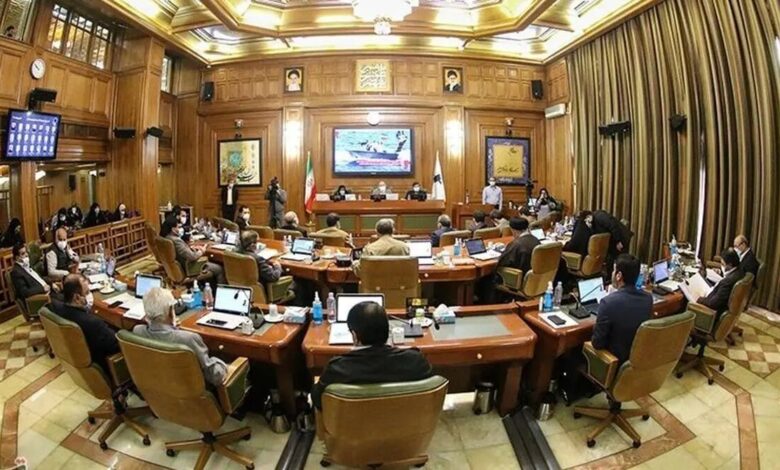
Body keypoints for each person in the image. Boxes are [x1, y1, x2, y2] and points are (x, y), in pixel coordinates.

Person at [311, 301, 433, 408]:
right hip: (405, 425)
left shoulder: (337, 369)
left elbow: (318, 400)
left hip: (353, 426)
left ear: (354, 335)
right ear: (388, 331)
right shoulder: (416, 361)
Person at [133, 287, 227, 387]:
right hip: (191, 392)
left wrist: (173, 329)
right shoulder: (189, 339)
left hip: (156, 389)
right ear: (170, 311)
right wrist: (224, 364)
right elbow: (216, 376)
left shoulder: (138, 331)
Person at [591, 254, 652, 364]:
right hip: (637, 361)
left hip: (613, 363)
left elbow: (597, 343)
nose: (612, 274)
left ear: (618, 276)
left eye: (614, 270)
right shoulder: (648, 299)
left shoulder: (608, 302)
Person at [54, 274, 119, 371]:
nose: (90, 295)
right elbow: (117, 344)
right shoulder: (93, 323)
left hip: (80, 359)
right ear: (77, 297)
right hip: (106, 364)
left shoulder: (57, 309)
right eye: (87, 292)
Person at [162, 220, 225, 285]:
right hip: (189, 268)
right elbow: (192, 257)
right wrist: (202, 251)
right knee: (219, 269)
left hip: (178, 268)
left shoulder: (167, 238)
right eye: (178, 227)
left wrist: (191, 248)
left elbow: (180, 251)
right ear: (173, 229)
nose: (180, 229)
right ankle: (221, 290)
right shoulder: (176, 241)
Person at [698, 248, 745, 322]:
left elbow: (713, 303)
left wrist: (699, 299)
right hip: (719, 300)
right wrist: (720, 272)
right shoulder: (740, 272)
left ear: (730, 265)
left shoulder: (727, 282)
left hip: (713, 313)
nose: (721, 266)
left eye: (723, 264)